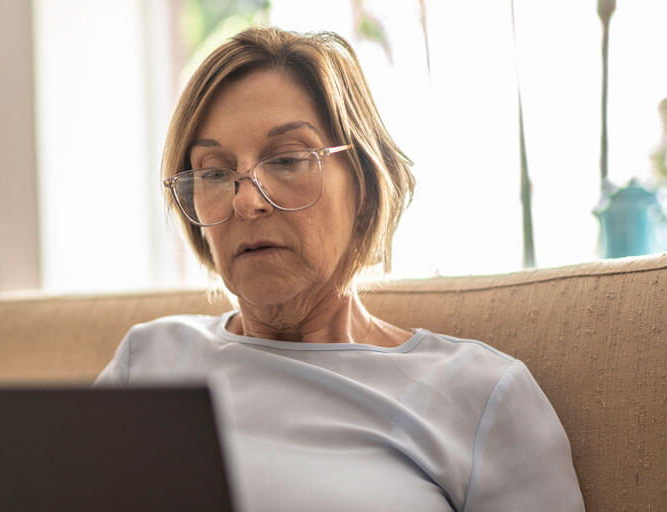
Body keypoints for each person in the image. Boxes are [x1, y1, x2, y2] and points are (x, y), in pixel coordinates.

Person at [95, 26, 584, 511]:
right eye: (215, 172)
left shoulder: (479, 396)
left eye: (286, 160)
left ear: (367, 185)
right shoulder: (149, 358)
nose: (246, 201)